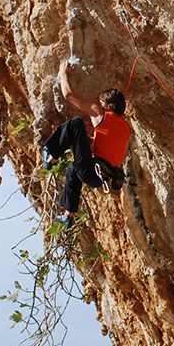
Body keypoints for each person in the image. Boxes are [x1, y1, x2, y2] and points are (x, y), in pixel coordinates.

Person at [41, 58, 131, 224]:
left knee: (75, 124)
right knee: (73, 170)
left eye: (101, 101)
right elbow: (112, 150)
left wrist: (63, 73)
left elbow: (68, 95)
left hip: (93, 169)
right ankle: (68, 216)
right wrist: (90, 141)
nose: (98, 103)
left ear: (108, 106)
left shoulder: (100, 113)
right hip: (101, 177)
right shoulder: (126, 128)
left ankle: (50, 156)